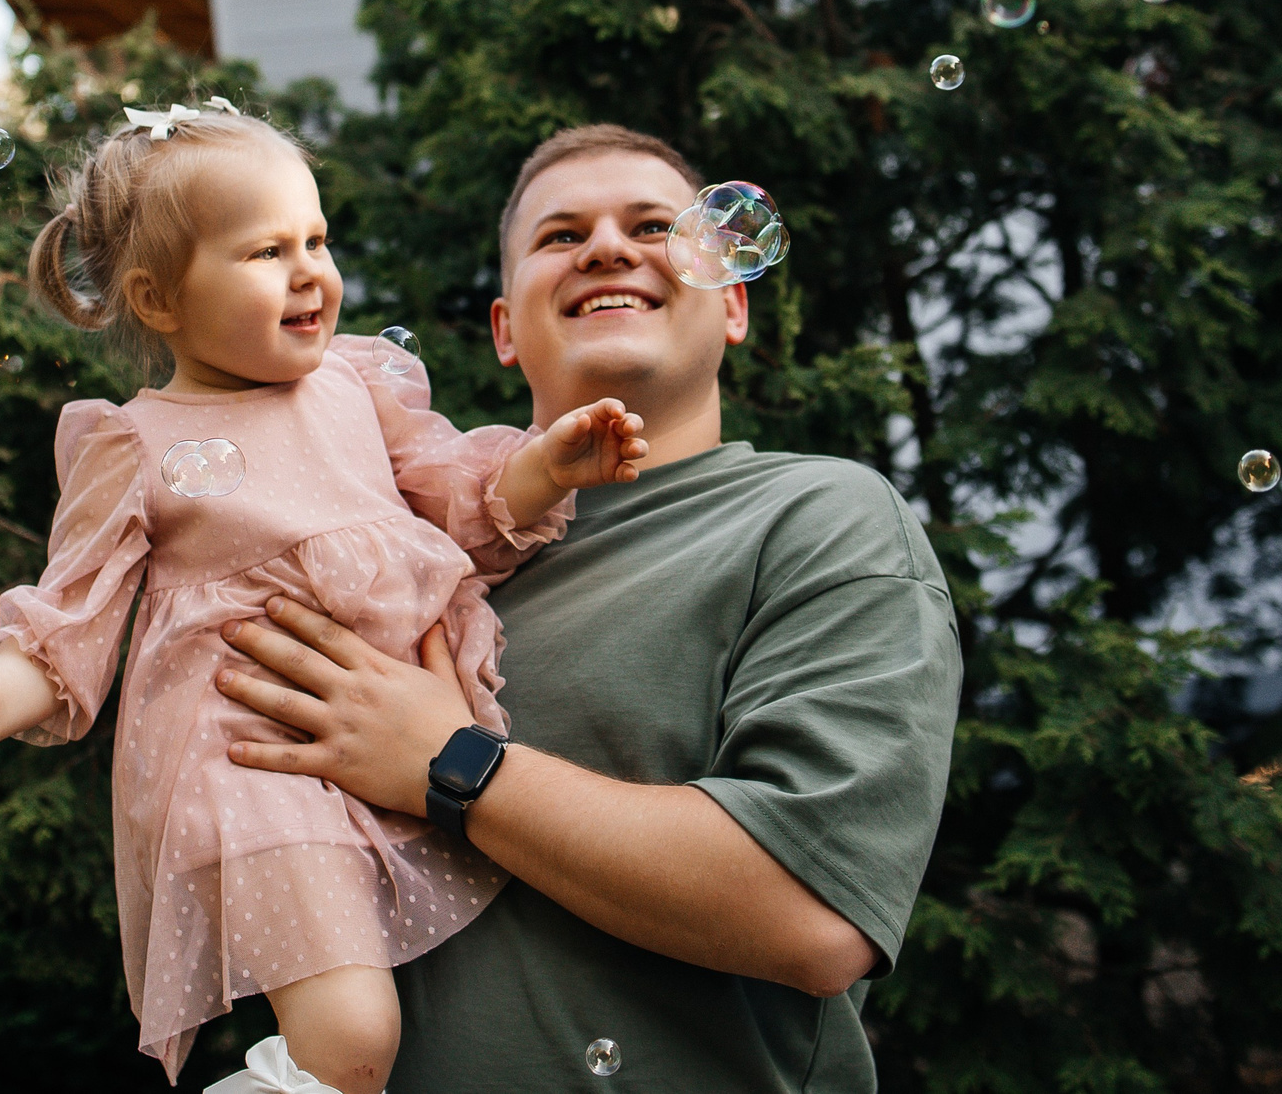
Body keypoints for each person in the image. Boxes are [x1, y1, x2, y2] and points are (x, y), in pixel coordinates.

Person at [0, 100, 646, 1094]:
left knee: (436, 1005)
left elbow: (464, 506)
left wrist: (546, 468)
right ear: (158, 300)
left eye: (317, 240)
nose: (309, 273)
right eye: (264, 252)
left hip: (394, 738)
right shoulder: (136, 443)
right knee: (351, 1038)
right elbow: (62, 628)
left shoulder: (355, 386)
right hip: (253, 758)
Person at [212, 124, 964, 1094]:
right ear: (504, 329)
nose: (608, 247)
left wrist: (451, 764)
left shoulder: (821, 520)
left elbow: (812, 915)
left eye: (653, 226)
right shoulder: (393, 559)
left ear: (731, 304)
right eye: (560, 237)